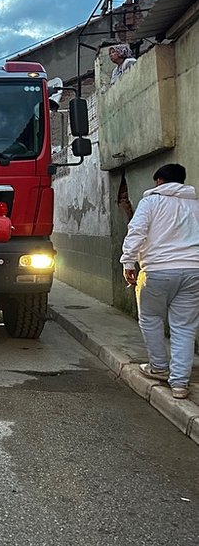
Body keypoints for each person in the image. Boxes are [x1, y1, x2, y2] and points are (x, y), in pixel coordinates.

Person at [120, 163, 199, 399]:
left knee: (151, 319)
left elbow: (136, 232)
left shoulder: (150, 202)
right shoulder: (195, 205)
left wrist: (128, 262)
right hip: (193, 271)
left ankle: (158, 368)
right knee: (184, 327)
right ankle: (179, 384)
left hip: (156, 271)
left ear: (159, 182)